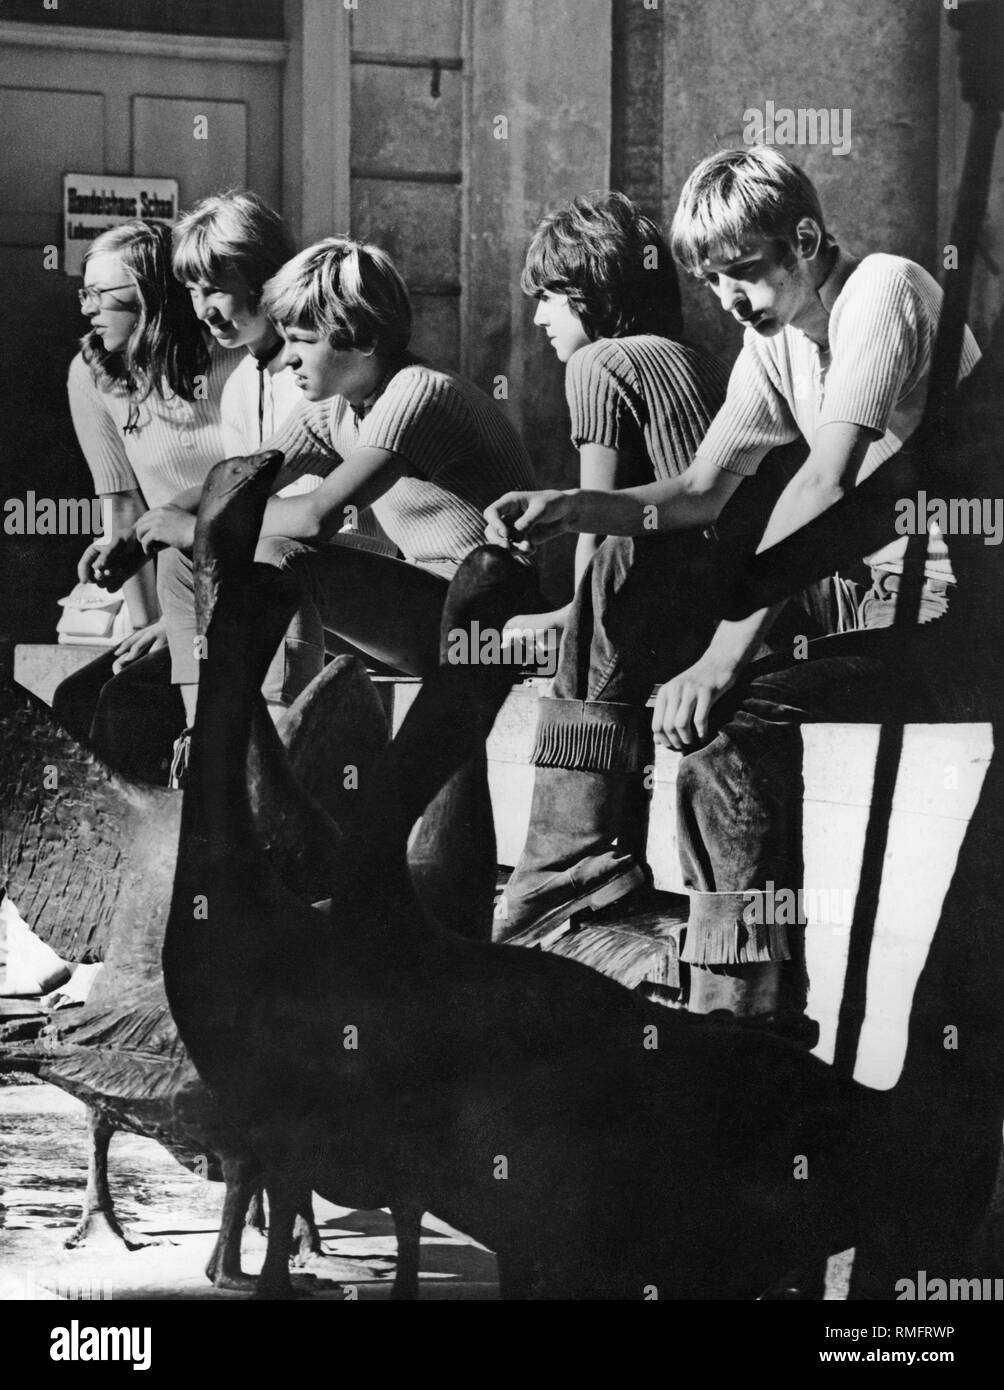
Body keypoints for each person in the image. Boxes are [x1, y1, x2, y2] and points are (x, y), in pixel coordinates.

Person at [486, 147, 982, 1020]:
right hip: (887, 610)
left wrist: (721, 655)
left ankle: (746, 1014)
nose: (731, 299)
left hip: (973, 617)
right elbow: (699, 490)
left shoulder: (884, 290)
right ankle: (597, 898)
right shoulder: (779, 337)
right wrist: (572, 507)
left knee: (734, 706)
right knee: (685, 654)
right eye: (712, 282)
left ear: (804, 237)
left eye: (745, 270)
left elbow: (824, 484)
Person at [145, 236, 540, 747]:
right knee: (182, 555)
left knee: (280, 558)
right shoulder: (333, 405)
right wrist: (153, 525)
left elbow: (317, 518)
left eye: (303, 341)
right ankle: (206, 739)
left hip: (485, 622)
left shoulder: (418, 393)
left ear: (363, 338)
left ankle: (285, 747)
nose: (287, 360)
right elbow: (233, 484)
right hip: (419, 608)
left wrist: (202, 524)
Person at [500, 191, 728, 669]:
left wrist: (573, 628)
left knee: (499, 635)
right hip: (743, 609)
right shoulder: (701, 359)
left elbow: (596, 522)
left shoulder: (597, 361)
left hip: (683, 618)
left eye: (547, 297)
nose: (540, 317)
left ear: (594, 292)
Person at [52, 221, 236, 783]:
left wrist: (181, 630)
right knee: (74, 701)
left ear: (154, 296)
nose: (88, 309)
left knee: (130, 707)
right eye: (85, 293)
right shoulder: (91, 374)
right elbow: (125, 508)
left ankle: (167, 861)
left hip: (245, 582)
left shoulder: (231, 360)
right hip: (180, 594)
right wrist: (151, 625)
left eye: (102, 294)